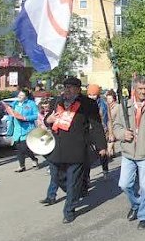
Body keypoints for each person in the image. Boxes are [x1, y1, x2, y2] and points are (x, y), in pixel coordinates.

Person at [45, 77, 107, 223]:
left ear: (78, 90)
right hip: (56, 147)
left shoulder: (88, 104)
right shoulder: (57, 101)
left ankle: (69, 210)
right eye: (66, 87)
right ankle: (76, 192)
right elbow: (48, 118)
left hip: (76, 148)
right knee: (57, 177)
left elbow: (96, 125)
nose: (67, 90)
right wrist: (48, 120)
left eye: (71, 87)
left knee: (73, 181)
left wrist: (101, 145)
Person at [113, 75, 145, 230]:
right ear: (134, 90)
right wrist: (123, 134)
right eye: (140, 89)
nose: (143, 92)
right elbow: (116, 126)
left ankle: (144, 215)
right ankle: (136, 204)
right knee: (124, 184)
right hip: (128, 153)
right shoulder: (125, 106)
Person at [4, 88, 39, 172]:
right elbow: (10, 113)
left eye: (22, 95)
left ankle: (34, 159)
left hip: (27, 129)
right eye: (19, 95)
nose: (19, 96)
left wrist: (25, 118)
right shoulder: (14, 104)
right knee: (19, 148)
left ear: (26, 97)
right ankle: (21, 166)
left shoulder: (31, 104)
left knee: (24, 147)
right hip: (17, 129)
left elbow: (36, 115)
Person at [87, 84, 110, 179]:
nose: (92, 97)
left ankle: (105, 170)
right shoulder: (85, 104)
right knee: (87, 154)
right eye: (90, 95)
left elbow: (108, 119)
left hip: (101, 130)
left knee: (102, 153)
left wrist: (110, 132)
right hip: (88, 131)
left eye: (94, 94)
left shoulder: (103, 104)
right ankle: (87, 176)